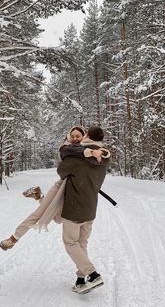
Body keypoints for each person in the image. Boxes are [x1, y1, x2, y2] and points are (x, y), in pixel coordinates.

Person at [0, 126, 109, 251]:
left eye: (78, 136)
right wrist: (88, 152)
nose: (75, 139)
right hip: (61, 186)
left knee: (58, 219)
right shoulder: (67, 147)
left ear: (83, 136)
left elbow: (102, 154)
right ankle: (13, 238)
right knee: (40, 213)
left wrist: (101, 152)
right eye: (72, 136)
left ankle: (38, 195)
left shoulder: (86, 148)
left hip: (75, 190)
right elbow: (69, 153)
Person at [57, 126, 110, 294]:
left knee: (70, 243)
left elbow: (61, 170)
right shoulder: (105, 157)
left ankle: (92, 274)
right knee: (81, 243)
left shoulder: (76, 158)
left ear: (86, 135)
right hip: (90, 208)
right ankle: (81, 280)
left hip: (74, 208)